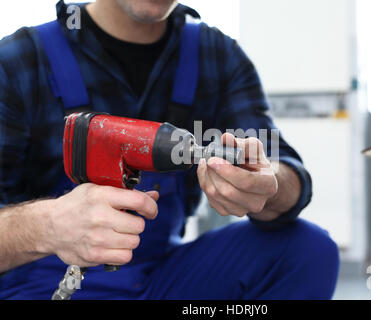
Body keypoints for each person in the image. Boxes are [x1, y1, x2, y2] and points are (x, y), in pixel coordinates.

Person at [0, 0, 339, 299]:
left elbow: (284, 167)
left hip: (164, 277)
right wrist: (47, 226)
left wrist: (268, 186)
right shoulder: (20, 60)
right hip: (45, 284)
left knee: (308, 250)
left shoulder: (217, 56)